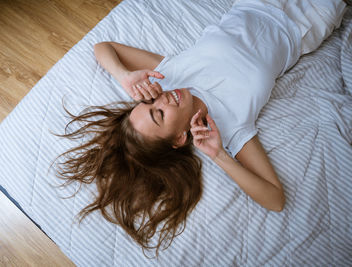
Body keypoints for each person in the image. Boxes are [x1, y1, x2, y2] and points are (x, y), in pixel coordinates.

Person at [54, 0, 347, 257]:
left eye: (151, 102)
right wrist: (220, 156)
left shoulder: (168, 77)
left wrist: (125, 76)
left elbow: (102, 48)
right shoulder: (230, 126)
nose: (164, 99)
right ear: (180, 138)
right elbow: (275, 199)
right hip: (310, 19)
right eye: (159, 115)